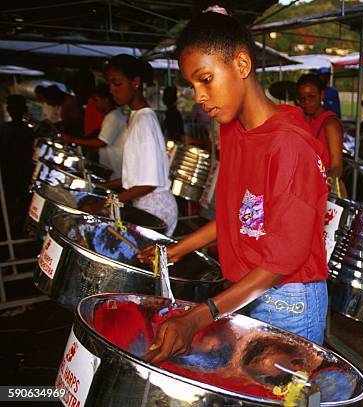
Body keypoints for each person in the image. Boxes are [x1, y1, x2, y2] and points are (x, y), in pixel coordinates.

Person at [138, 8, 329, 362]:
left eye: (205, 79)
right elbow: (241, 216)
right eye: (192, 85)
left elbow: (280, 262)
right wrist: (176, 249)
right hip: (248, 291)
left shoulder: (290, 145)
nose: (198, 96)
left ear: (241, 65)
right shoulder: (235, 130)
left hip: (288, 299)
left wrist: (199, 316)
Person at [100, 54, 178, 235]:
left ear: (135, 82)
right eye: (109, 84)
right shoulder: (136, 116)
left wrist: (103, 204)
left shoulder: (144, 121)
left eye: (117, 83)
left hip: (155, 210)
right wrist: (105, 186)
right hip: (145, 204)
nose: (111, 90)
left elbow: (149, 183)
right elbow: (137, 176)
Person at [62, 84, 127, 178]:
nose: (95, 105)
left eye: (97, 100)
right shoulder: (111, 116)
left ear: (106, 100)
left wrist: (72, 140)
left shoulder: (114, 117)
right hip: (110, 169)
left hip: (114, 172)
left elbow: (101, 142)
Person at [296, 73, 342, 180]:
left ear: (321, 95)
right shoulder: (302, 120)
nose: (307, 102)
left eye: (311, 97)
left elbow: (336, 168)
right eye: (302, 98)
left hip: (322, 188)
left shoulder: (330, 124)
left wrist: (318, 182)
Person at [0, 95, 35, 230]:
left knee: (16, 201)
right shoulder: (27, 130)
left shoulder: (8, 129)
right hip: (13, 172)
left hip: (16, 172)